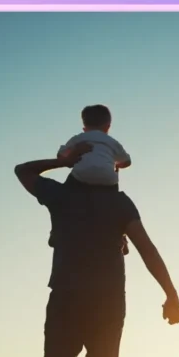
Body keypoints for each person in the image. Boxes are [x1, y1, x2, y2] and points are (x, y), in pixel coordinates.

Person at [14, 143, 179, 357]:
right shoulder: (120, 203)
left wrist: (60, 162)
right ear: (111, 169)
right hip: (107, 303)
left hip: (65, 296)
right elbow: (147, 248)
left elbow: (23, 170)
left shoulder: (61, 196)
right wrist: (171, 294)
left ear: (77, 166)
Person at [51, 104, 132, 253]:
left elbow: (60, 156)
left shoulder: (79, 138)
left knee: (65, 195)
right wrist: (117, 165)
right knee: (114, 202)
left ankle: (56, 231)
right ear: (108, 127)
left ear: (84, 127)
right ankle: (121, 236)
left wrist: (74, 153)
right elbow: (127, 161)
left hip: (82, 176)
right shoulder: (113, 142)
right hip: (108, 180)